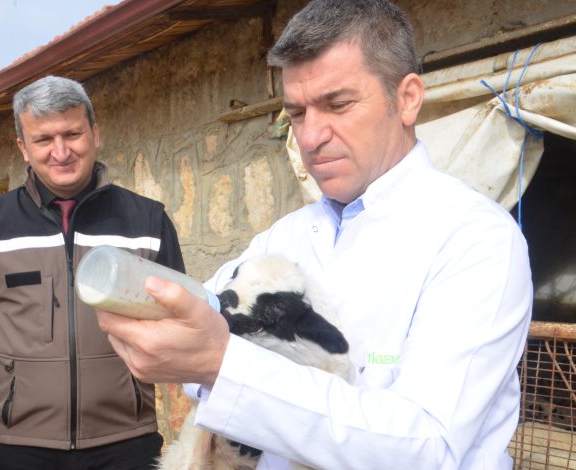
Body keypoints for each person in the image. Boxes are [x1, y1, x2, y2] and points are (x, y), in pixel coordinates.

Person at [95, 0, 533, 468]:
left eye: (337, 104)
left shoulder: (475, 238)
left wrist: (222, 365)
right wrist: (182, 340)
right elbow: (203, 339)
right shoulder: (282, 239)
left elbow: (426, 446)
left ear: (406, 99)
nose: (310, 136)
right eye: (297, 113)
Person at [0, 75, 185, 470]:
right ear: (23, 147)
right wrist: (25, 373)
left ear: (94, 133)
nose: (61, 151)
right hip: (18, 445)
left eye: (72, 133)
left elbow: (170, 312)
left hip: (127, 442)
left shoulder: (148, 219)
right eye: (43, 139)